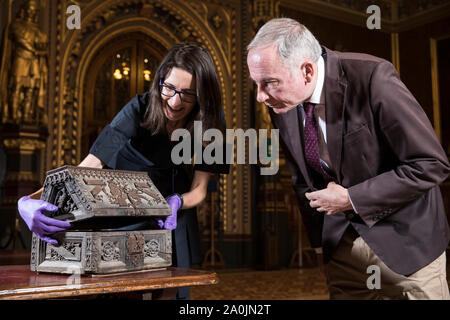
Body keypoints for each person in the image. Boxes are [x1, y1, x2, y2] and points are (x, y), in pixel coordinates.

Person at [247, 18, 450, 299]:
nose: (260, 96)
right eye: (256, 83)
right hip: (342, 251)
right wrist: (321, 247)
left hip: (408, 249)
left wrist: (351, 199)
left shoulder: (372, 76)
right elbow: (303, 182)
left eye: (268, 83)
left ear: (307, 71)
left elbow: (430, 164)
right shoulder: (282, 101)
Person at [17, 43, 229, 300]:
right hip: (125, 202)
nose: (174, 101)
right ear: (160, 80)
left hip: (174, 207)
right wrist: (28, 201)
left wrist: (176, 202)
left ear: (202, 96)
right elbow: (90, 165)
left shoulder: (212, 120)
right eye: (169, 88)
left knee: (174, 290)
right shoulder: (139, 107)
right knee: (120, 290)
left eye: (187, 94)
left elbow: (199, 189)